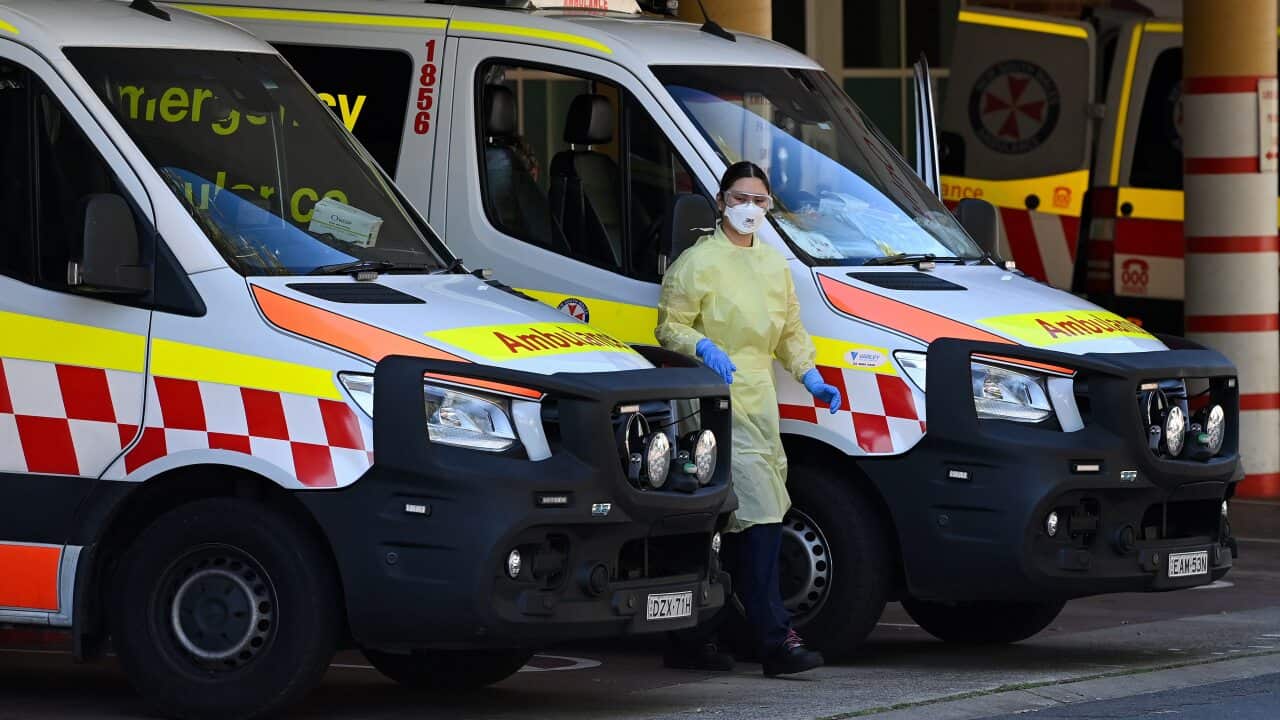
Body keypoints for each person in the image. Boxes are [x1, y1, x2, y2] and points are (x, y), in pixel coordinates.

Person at [656, 161, 841, 677]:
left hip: (758, 401)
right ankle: (773, 639)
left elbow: (791, 333)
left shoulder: (774, 266)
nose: (750, 209)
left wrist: (810, 376)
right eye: (741, 198)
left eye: (761, 201)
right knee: (743, 517)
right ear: (721, 202)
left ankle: (700, 635)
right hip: (710, 403)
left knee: (748, 518)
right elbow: (670, 325)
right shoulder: (698, 263)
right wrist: (702, 345)